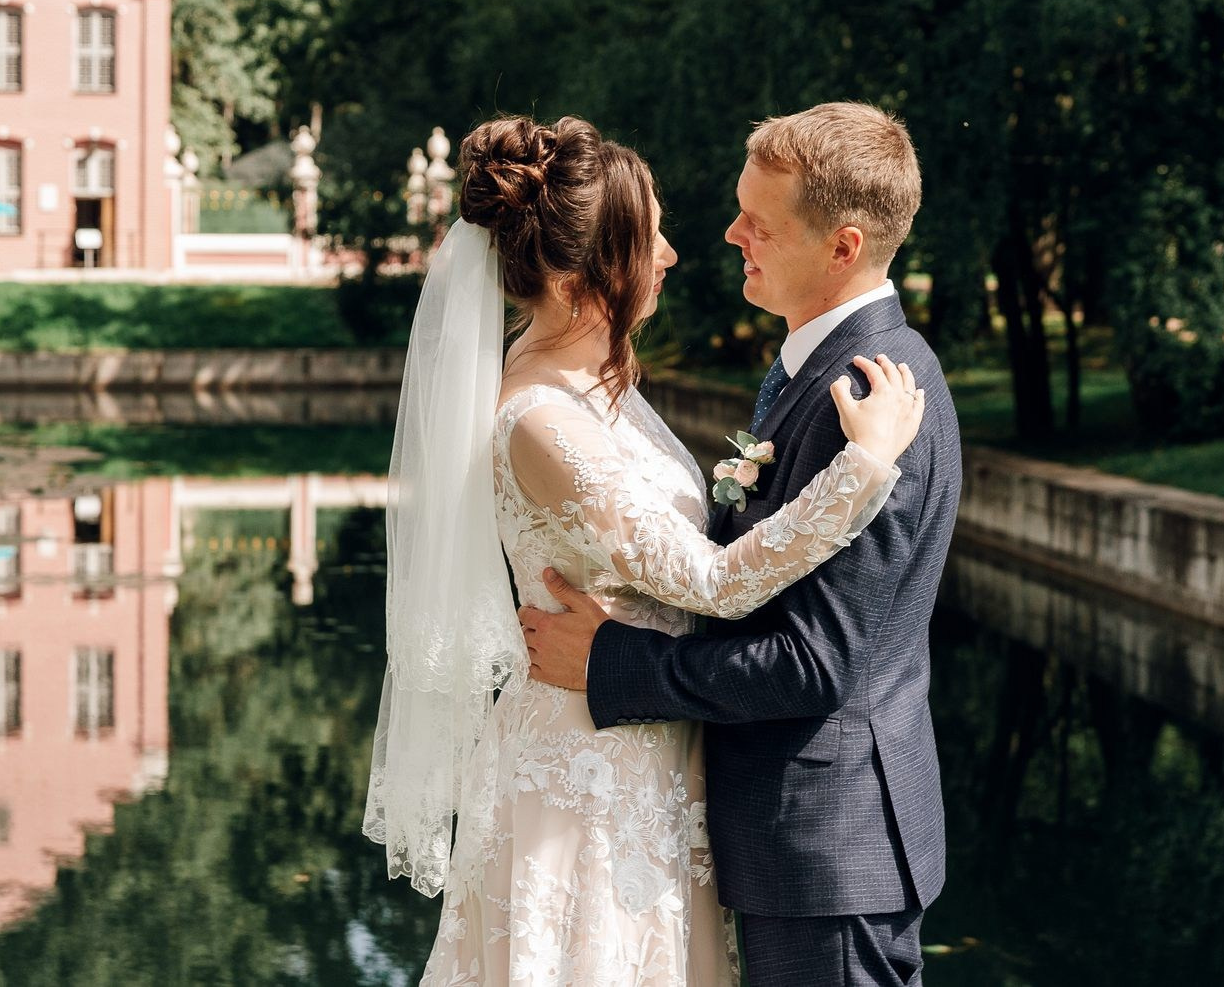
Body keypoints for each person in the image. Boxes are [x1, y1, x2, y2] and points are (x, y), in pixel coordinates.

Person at [364, 114, 930, 985]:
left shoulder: (600, 383)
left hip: (643, 758)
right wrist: (862, 469)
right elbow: (711, 579)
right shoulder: (544, 420)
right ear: (580, 277)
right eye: (650, 237)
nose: (671, 253)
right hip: (585, 772)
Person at [522, 102, 961, 986]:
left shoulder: (867, 400)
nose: (729, 234)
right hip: (794, 842)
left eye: (758, 223)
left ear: (842, 247)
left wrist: (616, 662)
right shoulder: (815, 368)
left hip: (826, 848)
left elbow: (812, 665)